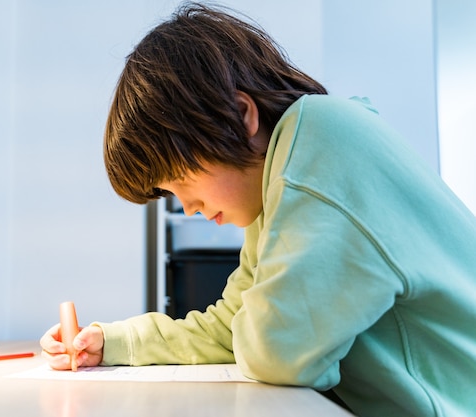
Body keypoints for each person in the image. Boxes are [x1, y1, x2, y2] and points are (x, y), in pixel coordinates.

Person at [40, 3, 476, 416]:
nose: (188, 207)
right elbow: (233, 326)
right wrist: (111, 342)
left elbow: (277, 352)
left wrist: (260, 333)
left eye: (183, 180)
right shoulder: (276, 189)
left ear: (239, 114)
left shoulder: (321, 144)